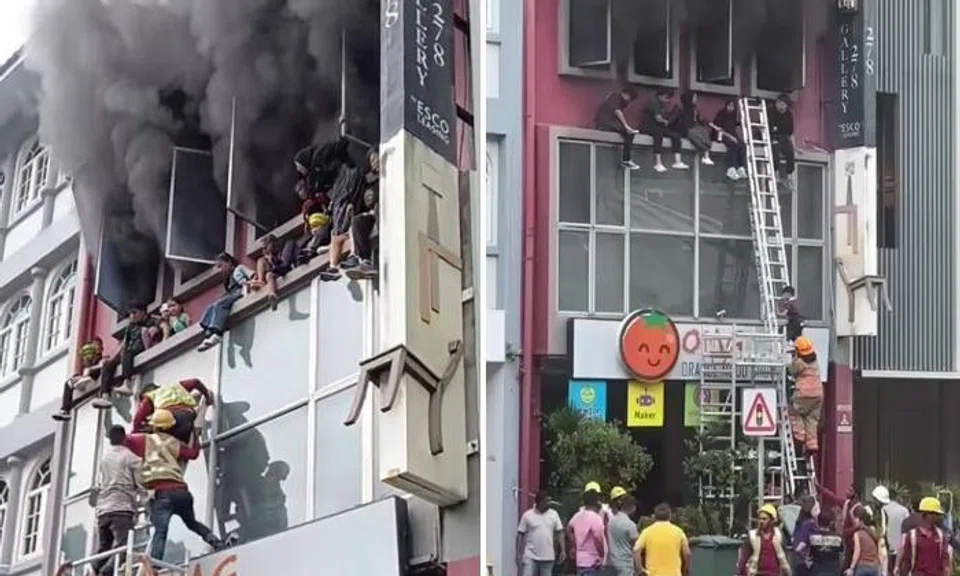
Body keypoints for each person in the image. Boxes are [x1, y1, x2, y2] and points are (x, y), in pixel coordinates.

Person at [123, 409, 223, 562]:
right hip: (182, 492)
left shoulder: (146, 440)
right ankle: (216, 542)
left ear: (154, 426)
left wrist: (138, 426)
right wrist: (196, 435)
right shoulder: (174, 442)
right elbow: (193, 453)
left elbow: (125, 439)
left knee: (160, 532)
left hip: (163, 493)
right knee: (192, 523)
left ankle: (155, 565)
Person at [91, 425, 142, 575]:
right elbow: (142, 483)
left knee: (104, 548)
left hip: (103, 510)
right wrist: (148, 497)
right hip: (121, 508)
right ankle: (105, 573)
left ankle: (94, 569)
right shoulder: (131, 457)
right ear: (124, 438)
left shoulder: (104, 459)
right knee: (124, 547)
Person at [93, 305, 161, 409]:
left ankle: (127, 383)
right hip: (130, 351)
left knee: (127, 352)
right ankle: (104, 396)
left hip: (142, 348)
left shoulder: (153, 320)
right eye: (130, 314)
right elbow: (124, 343)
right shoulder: (130, 327)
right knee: (108, 364)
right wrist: (112, 359)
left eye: (134, 313)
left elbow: (162, 327)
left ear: (143, 312)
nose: (132, 316)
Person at [198, 253, 253, 352]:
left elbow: (253, 275)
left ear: (229, 262)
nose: (220, 270)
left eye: (221, 266)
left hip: (239, 292)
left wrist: (250, 284)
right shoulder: (227, 280)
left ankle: (217, 333)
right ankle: (209, 329)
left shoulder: (239, 268)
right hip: (232, 295)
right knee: (211, 306)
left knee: (220, 304)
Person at [320, 162, 365, 282]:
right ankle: (333, 267)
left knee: (352, 229)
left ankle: (354, 256)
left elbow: (352, 217)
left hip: (353, 229)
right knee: (335, 239)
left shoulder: (350, 200)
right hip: (344, 232)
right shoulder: (337, 201)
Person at [133, 379, 214, 444]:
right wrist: (207, 396)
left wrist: (133, 437)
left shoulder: (149, 397)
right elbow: (195, 382)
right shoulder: (176, 387)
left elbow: (138, 419)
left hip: (172, 419)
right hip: (188, 417)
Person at [343, 149, 380, 280]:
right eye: (372, 161)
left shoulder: (391, 173)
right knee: (357, 221)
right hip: (373, 214)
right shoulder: (369, 182)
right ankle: (365, 262)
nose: (374, 162)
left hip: (386, 209)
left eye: (375, 158)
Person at [897, 497, 951, 576]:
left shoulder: (940, 535)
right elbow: (907, 559)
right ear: (924, 514)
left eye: (937, 514)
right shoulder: (912, 536)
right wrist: (901, 570)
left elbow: (945, 556)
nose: (936, 517)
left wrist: (946, 567)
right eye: (933, 514)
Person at [53, 338, 104, 421]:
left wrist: (90, 368)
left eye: (97, 345)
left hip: (95, 376)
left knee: (89, 371)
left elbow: (101, 366)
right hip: (86, 377)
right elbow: (86, 366)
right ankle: (65, 410)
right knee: (69, 382)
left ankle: (84, 381)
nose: (95, 347)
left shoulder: (102, 359)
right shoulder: (89, 357)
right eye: (94, 345)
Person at [516, 492, 566, 576]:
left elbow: (560, 532)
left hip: (547, 556)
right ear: (540, 502)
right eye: (547, 501)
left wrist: (563, 550)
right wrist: (518, 553)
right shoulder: (527, 515)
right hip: (530, 555)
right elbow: (520, 534)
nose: (549, 503)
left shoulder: (554, 514)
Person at [788, 336, 822, 455]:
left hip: (804, 394)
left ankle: (799, 436)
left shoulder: (799, 362)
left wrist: (793, 358)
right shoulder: (814, 360)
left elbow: (791, 370)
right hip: (818, 395)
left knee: (794, 410)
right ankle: (812, 445)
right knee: (811, 419)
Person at [635, 502, 690, 576]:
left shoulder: (647, 532)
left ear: (655, 517)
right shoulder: (679, 532)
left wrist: (640, 570)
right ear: (670, 515)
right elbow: (687, 553)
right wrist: (686, 570)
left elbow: (636, 550)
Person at [595, 85, 641, 170]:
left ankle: (626, 159)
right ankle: (626, 160)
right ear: (626, 94)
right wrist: (626, 126)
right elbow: (617, 112)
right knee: (628, 133)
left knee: (629, 134)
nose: (629, 100)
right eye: (629, 98)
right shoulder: (615, 96)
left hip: (611, 121)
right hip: (604, 121)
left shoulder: (623, 102)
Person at [737, 504, 791, 576]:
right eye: (759, 519)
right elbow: (744, 557)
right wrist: (740, 573)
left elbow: (784, 557)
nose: (761, 521)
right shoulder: (753, 536)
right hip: (757, 574)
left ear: (772, 520)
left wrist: (787, 572)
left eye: (764, 519)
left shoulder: (779, 535)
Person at [568, 482, 607, 575]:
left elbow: (568, 529)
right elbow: (598, 538)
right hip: (593, 562)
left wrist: (575, 544)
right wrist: (602, 553)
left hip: (580, 561)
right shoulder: (596, 518)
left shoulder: (577, 516)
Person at [644, 90, 686, 173]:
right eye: (666, 98)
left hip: (659, 127)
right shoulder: (655, 103)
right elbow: (658, 118)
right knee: (658, 136)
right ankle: (658, 163)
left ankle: (677, 162)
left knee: (676, 136)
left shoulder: (661, 105)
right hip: (651, 127)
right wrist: (665, 121)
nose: (668, 100)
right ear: (660, 95)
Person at [872, 485, 910, 575]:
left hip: (884, 547)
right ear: (897, 497)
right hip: (899, 548)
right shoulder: (904, 511)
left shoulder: (882, 510)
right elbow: (908, 529)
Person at [254, 234, 296, 309]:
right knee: (265, 269)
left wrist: (272, 262)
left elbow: (284, 264)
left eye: (265, 247)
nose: (264, 250)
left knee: (269, 274)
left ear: (271, 244)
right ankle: (271, 293)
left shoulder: (283, 249)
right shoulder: (268, 255)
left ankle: (270, 291)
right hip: (273, 274)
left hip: (282, 271)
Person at [710, 99, 748, 180]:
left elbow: (733, 128)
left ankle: (741, 167)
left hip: (732, 134)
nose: (731, 108)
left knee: (742, 145)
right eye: (729, 106)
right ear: (726, 106)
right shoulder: (721, 114)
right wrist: (731, 137)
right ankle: (731, 168)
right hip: (721, 134)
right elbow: (718, 128)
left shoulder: (733, 116)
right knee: (733, 144)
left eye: (732, 106)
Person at [674, 92, 714, 166]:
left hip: (695, 127)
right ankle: (705, 153)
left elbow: (698, 120)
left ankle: (706, 156)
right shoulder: (681, 108)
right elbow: (675, 119)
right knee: (695, 135)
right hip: (687, 128)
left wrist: (706, 123)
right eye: (694, 97)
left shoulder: (695, 109)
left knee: (704, 132)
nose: (696, 99)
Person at [607, 488, 639, 576]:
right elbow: (636, 547)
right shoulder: (630, 525)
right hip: (625, 564)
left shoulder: (611, 521)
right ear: (633, 508)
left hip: (612, 563)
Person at [846, 507, 885, 576]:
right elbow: (880, 552)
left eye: (854, 519)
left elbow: (857, 552)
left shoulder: (858, 534)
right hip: (874, 567)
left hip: (862, 567)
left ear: (858, 519)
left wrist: (851, 568)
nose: (853, 521)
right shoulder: (874, 533)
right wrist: (881, 569)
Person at [802, 511, 843, 576]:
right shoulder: (838, 538)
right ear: (831, 523)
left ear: (818, 522)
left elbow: (806, 552)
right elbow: (841, 555)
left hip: (817, 571)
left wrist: (805, 560)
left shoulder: (813, 537)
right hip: (833, 571)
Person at [769, 95, 796, 185]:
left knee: (790, 151)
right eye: (777, 102)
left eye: (781, 103)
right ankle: (775, 172)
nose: (778, 105)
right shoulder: (771, 111)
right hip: (772, 135)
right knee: (775, 148)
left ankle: (789, 174)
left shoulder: (789, 115)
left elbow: (790, 131)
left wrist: (793, 144)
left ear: (786, 105)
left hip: (784, 135)